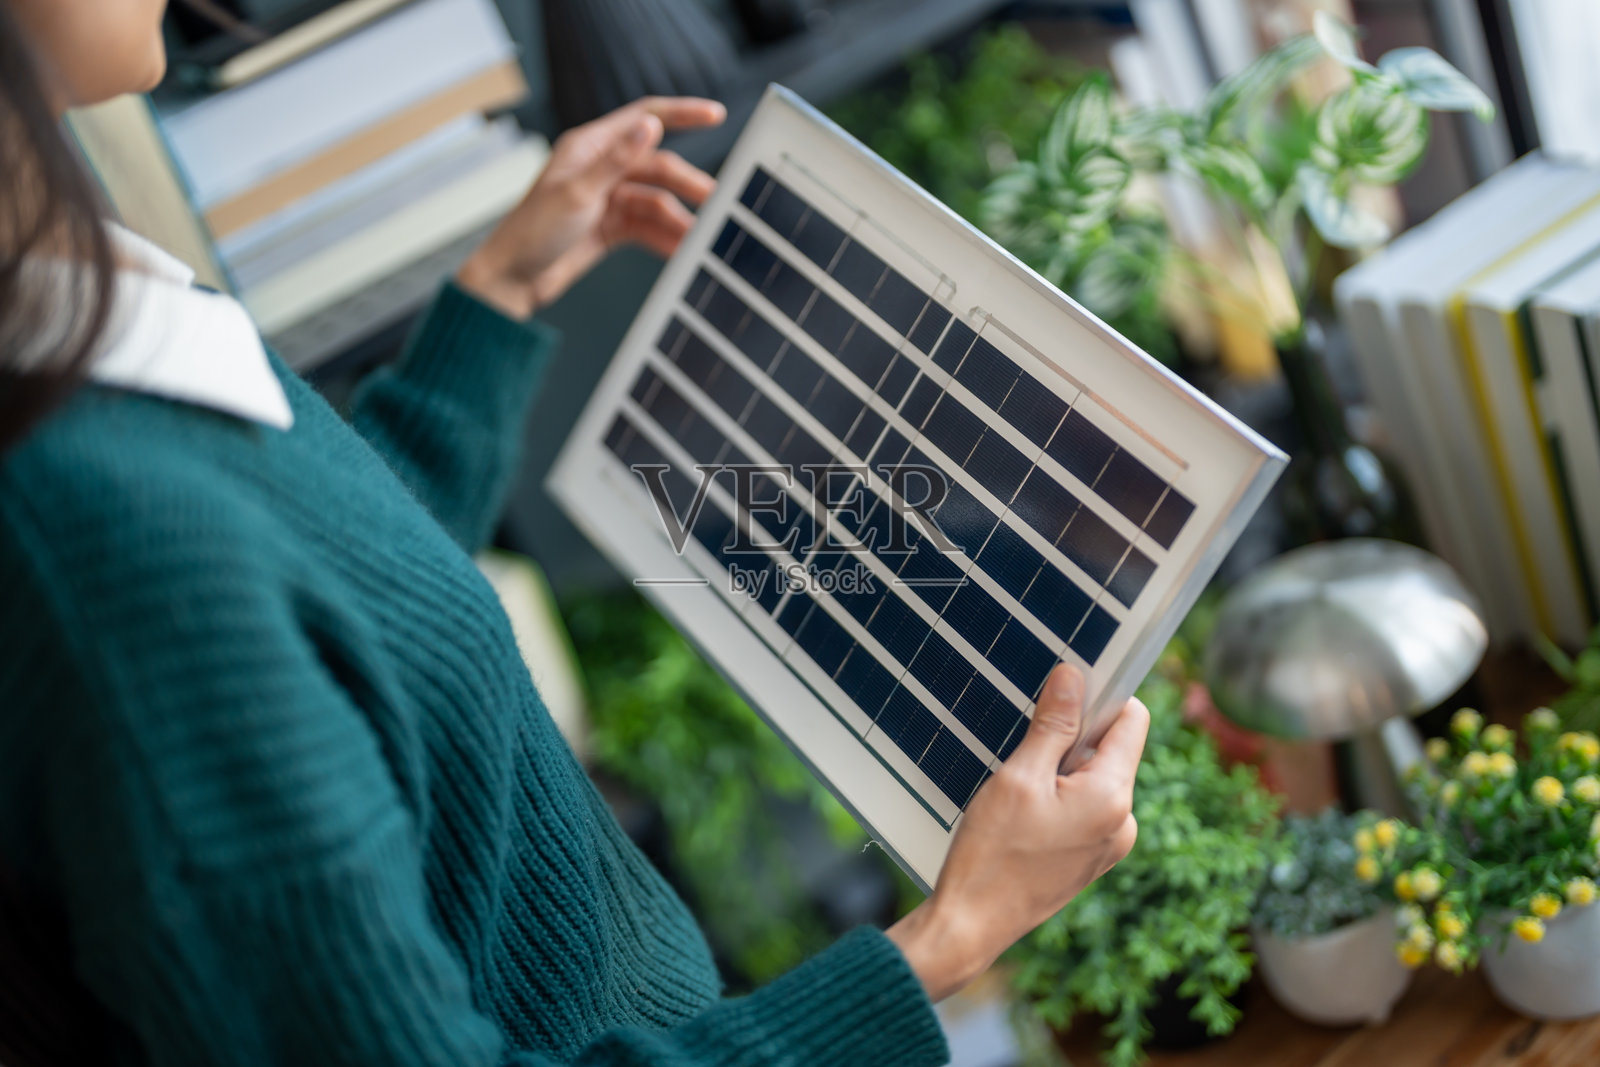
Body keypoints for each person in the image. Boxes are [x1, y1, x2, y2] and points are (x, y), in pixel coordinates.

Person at [0, 2, 1150, 1065]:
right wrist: (951, 936)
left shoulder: (89, 315)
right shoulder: (90, 540)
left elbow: (335, 617)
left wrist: (497, 293)